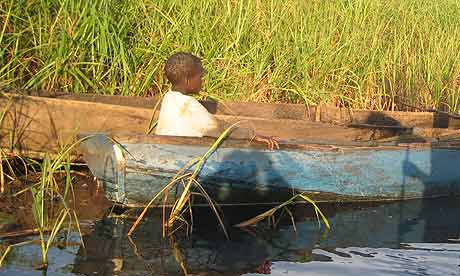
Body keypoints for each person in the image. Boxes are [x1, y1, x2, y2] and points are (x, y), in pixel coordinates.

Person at [155, 52, 278, 150]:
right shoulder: (188, 105)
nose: (202, 80)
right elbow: (217, 127)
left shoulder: (169, 97)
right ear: (187, 80)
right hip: (181, 151)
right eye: (200, 76)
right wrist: (251, 135)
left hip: (166, 148)